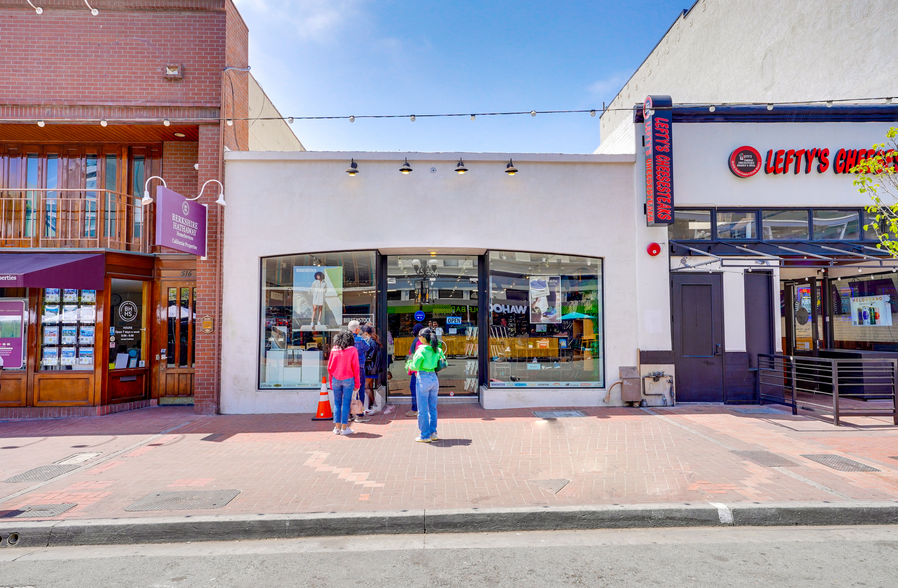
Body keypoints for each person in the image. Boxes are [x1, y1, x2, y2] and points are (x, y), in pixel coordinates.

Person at [405, 327, 445, 443]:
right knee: (432, 408)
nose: (418, 338)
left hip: (423, 378)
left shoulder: (421, 350)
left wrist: (409, 364)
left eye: (419, 336)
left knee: (422, 409)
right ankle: (433, 433)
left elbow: (415, 366)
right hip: (434, 377)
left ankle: (424, 435)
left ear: (423, 338)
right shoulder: (436, 349)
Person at [326, 330, 360, 436]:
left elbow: (329, 368)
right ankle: (345, 428)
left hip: (336, 379)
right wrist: (357, 384)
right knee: (346, 403)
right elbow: (356, 368)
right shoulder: (353, 350)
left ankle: (336, 428)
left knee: (337, 403)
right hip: (348, 379)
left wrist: (331, 382)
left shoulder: (334, 350)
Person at [347, 320, 369, 422]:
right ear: (356, 329)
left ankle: (349, 414)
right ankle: (359, 415)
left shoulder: (345, 339)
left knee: (349, 390)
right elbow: (367, 348)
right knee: (360, 390)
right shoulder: (360, 339)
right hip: (359, 367)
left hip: (347, 367)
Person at [361, 324, 382, 413]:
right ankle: (370, 407)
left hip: (370, 368)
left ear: (366, 333)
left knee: (366, 387)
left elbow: (370, 357)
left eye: (362, 333)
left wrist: (361, 359)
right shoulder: (372, 341)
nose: (361, 334)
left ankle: (374, 405)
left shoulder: (372, 342)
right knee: (369, 387)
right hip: (372, 368)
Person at [405, 323, 424, 417]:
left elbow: (417, 356)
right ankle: (423, 408)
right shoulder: (426, 340)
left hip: (417, 369)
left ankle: (415, 408)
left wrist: (415, 370)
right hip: (427, 370)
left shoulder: (418, 340)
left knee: (414, 388)